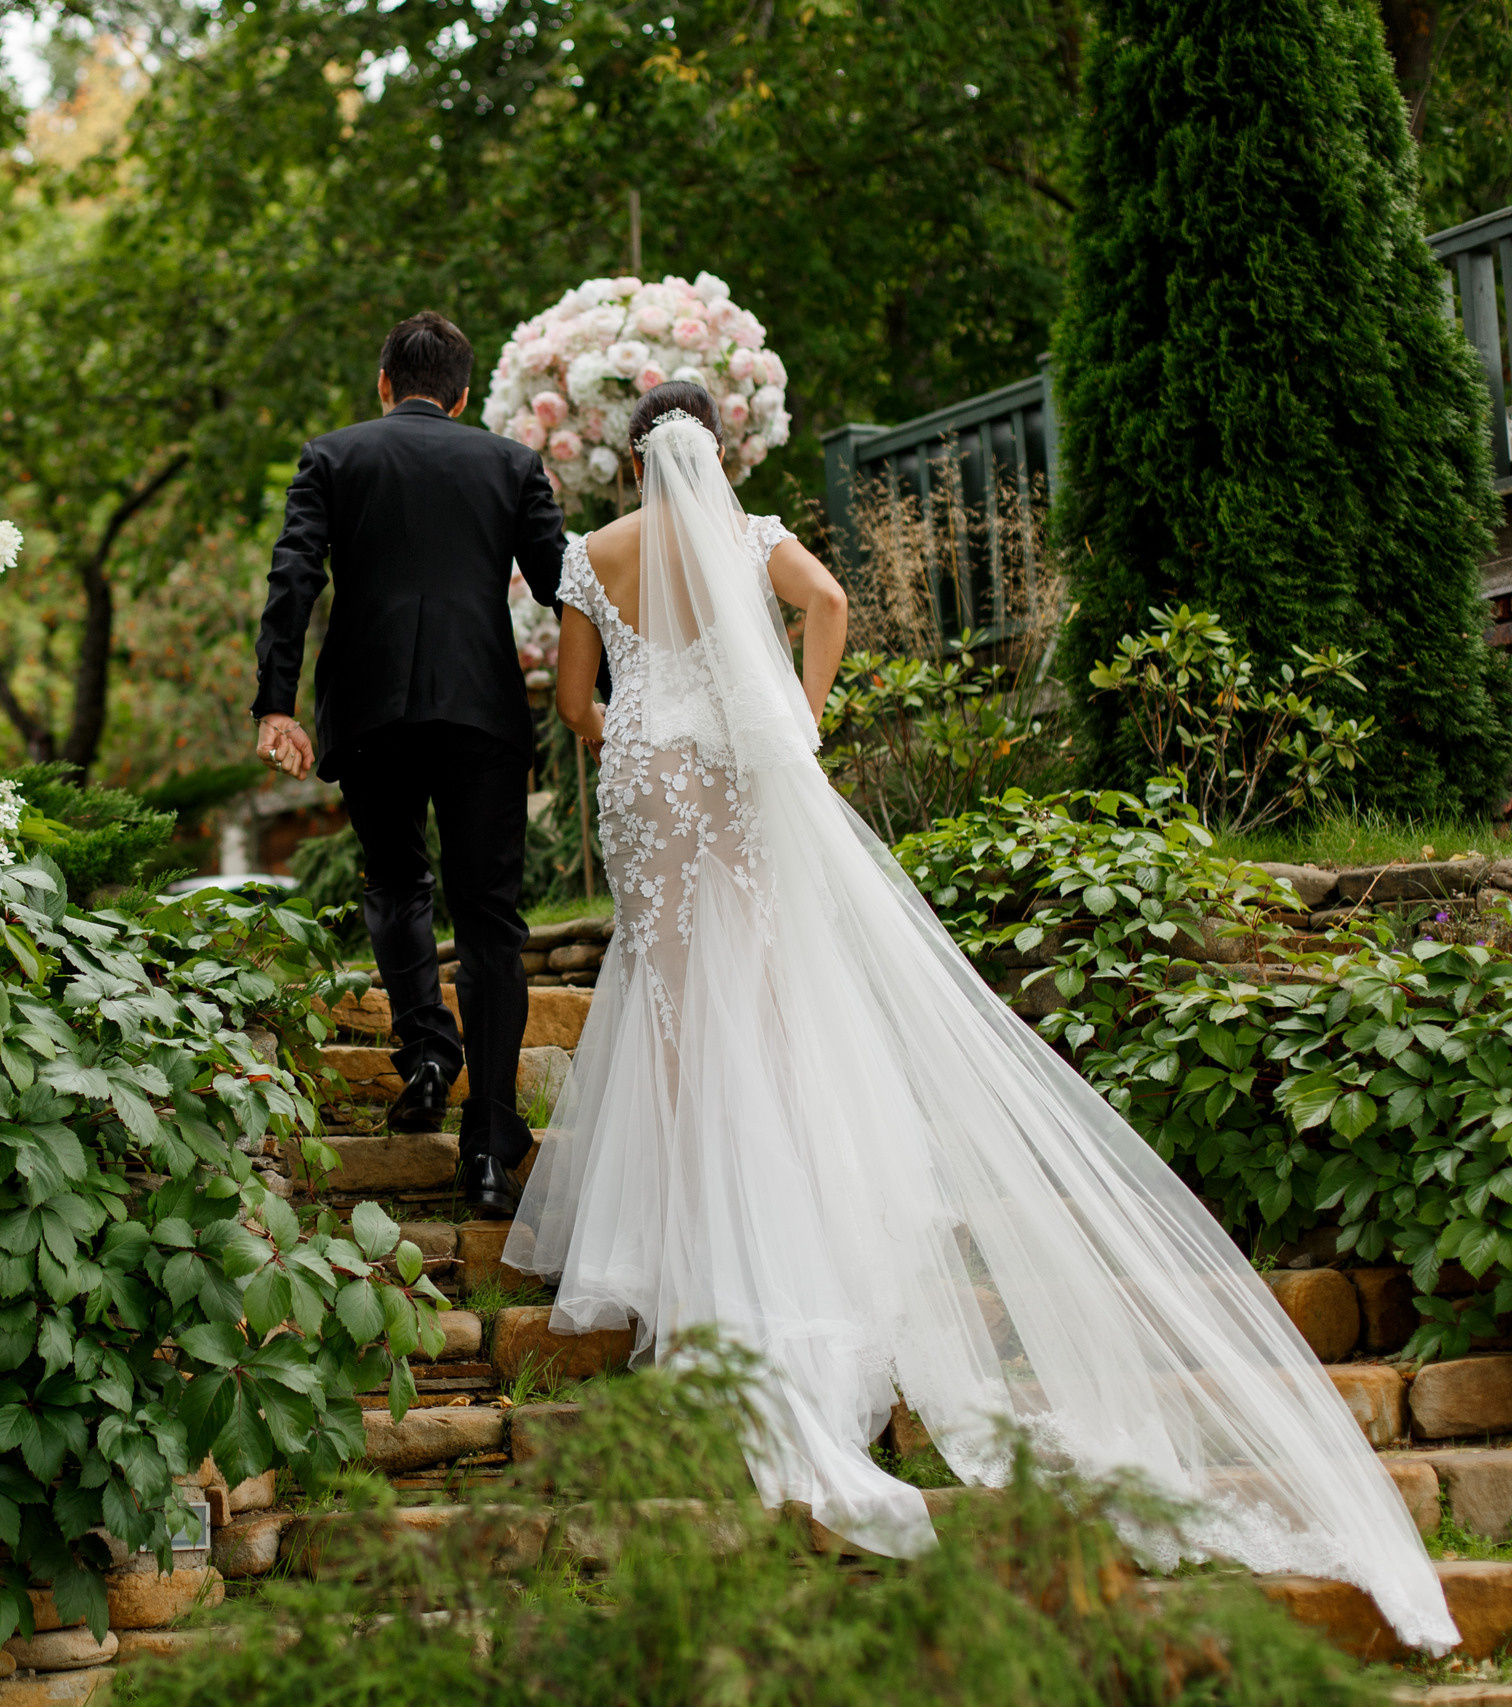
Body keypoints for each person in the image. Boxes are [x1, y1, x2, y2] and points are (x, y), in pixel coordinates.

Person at [504, 379, 1456, 1648]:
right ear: (716, 453)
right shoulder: (745, 534)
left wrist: (633, 729)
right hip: (734, 769)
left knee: (674, 1000)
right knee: (768, 994)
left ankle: (694, 1224)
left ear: (629, 462)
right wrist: (796, 716)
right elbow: (828, 608)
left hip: (643, 784)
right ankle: (777, 1194)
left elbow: (573, 707)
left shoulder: (592, 555)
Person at [251, 311, 567, 1217]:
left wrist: (278, 699)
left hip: (372, 708)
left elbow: (294, 576)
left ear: (384, 384)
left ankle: (428, 1051)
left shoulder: (333, 456)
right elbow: (559, 584)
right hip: (482, 712)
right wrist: (617, 686)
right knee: (492, 923)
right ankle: (489, 1148)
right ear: (463, 396)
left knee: (394, 882)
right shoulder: (510, 463)